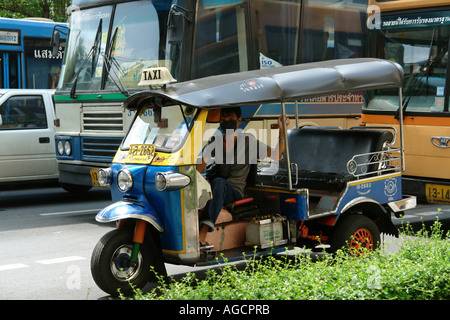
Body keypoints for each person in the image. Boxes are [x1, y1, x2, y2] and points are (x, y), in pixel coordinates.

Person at [196, 107, 290, 247]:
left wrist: (282, 131)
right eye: (223, 119)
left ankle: (202, 234)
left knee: (219, 183)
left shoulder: (248, 141)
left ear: (239, 121)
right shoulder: (215, 141)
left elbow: (276, 155)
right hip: (215, 188)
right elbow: (200, 167)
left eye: (231, 119)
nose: (227, 121)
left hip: (234, 191)